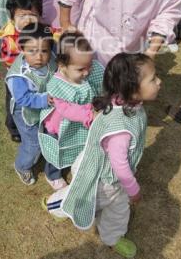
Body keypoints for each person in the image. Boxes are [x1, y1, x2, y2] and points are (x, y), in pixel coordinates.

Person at [43, 52, 161, 258]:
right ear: (132, 89)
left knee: (118, 209)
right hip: (102, 178)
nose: (159, 82)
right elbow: (120, 164)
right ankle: (54, 203)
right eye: (153, 79)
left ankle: (113, 237)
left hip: (113, 179)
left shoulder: (128, 103)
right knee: (81, 198)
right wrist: (133, 189)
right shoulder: (120, 130)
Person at [5, 22, 66, 189]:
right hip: (25, 112)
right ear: (22, 49)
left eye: (44, 51)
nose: (39, 56)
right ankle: (22, 166)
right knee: (33, 144)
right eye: (32, 51)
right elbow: (23, 99)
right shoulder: (19, 75)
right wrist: (45, 99)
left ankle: (52, 170)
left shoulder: (52, 60)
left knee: (53, 135)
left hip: (47, 105)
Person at [39, 31, 104, 170]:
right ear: (62, 66)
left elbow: (101, 86)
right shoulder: (58, 84)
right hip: (58, 126)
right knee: (57, 150)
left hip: (81, 122)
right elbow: (67, 109)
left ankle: (79, 164)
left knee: (82, 144)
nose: (86, 72)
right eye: (81, 69)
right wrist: (90, 115)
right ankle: (53, 174)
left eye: (89, 66)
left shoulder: (87, 71)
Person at [0, 0, 43, 142]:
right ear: (12, 19)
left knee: (34, 98)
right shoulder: (9, 37)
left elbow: (54, 33)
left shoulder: (42, 29)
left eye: (32, 15)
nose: (27, 20)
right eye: (22, 16)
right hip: (17, 77)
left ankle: (37, 121)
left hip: (36, 74)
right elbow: (9, 61)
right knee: (14, 102)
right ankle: (13, 127)